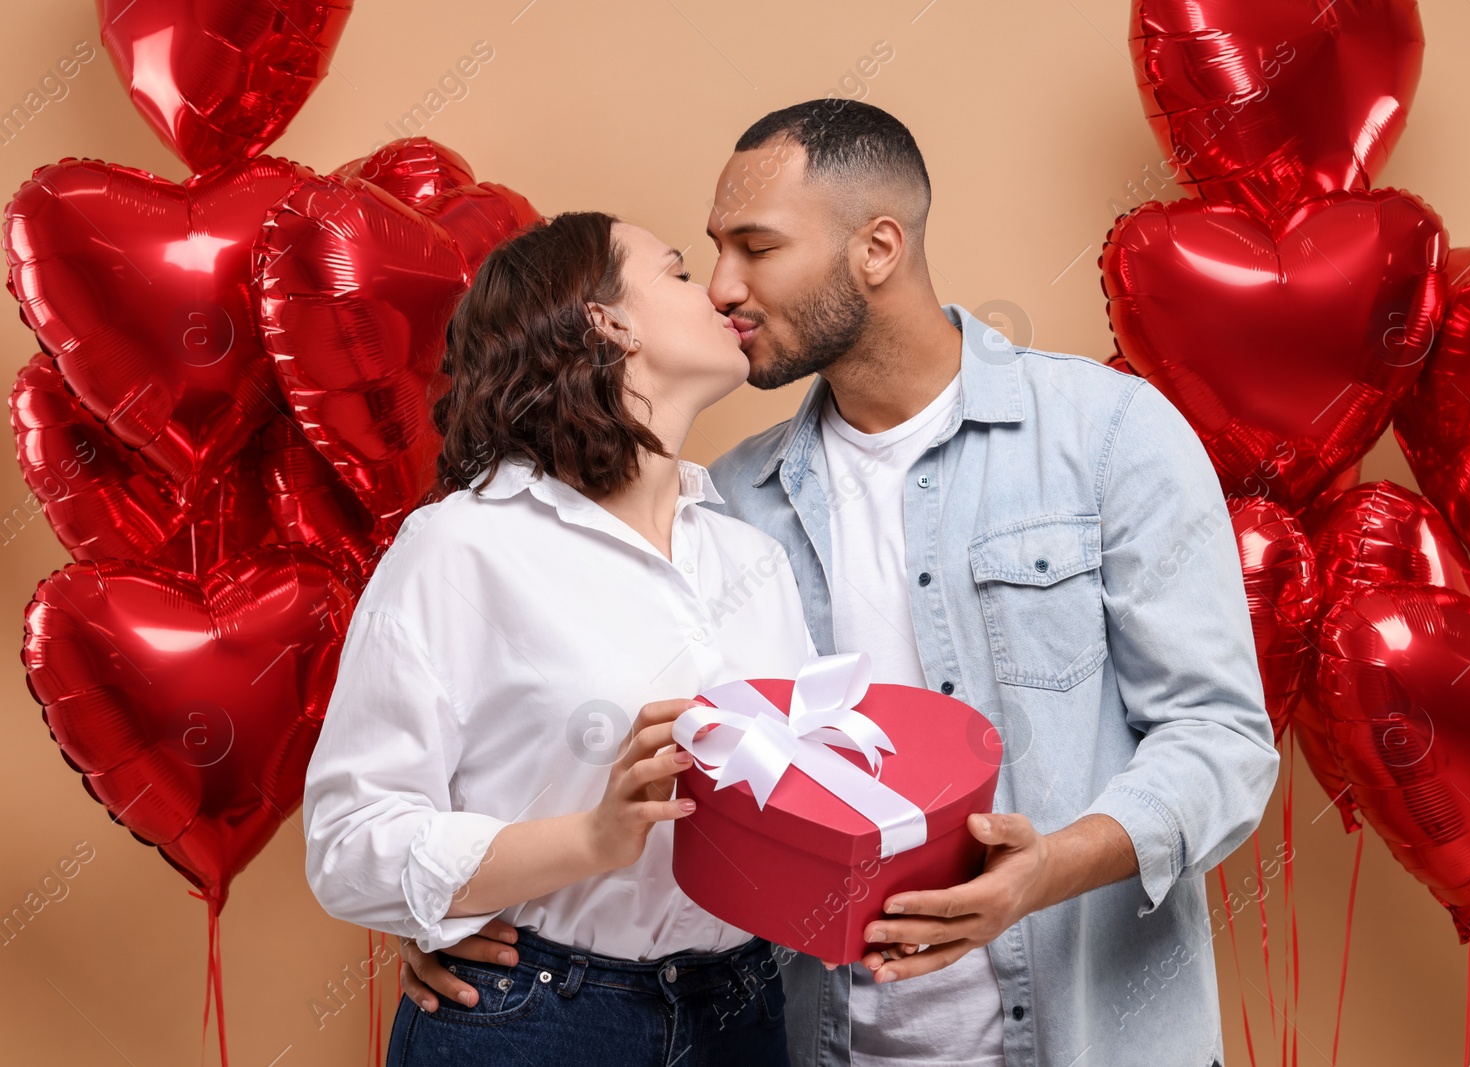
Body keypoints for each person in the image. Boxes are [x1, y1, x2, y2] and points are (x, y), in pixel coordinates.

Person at [404, 100, 1279, 1067]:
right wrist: (452, 905)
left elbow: (1222, 737)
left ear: (878, 247)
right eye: (708, 254)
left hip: (1091, 1039)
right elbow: (643, 779)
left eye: (756, 247)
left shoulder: (1109, 433)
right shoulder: (725, 508)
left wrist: (1047, 870)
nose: (726, 287)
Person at [300, 210, 819, 1066]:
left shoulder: (751, 552)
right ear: (605, 321)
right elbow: (350, 842)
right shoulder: (462, 544)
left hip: (745, 1013)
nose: (722, 292)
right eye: (681, 271)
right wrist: (591, 839)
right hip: (535, 1022)